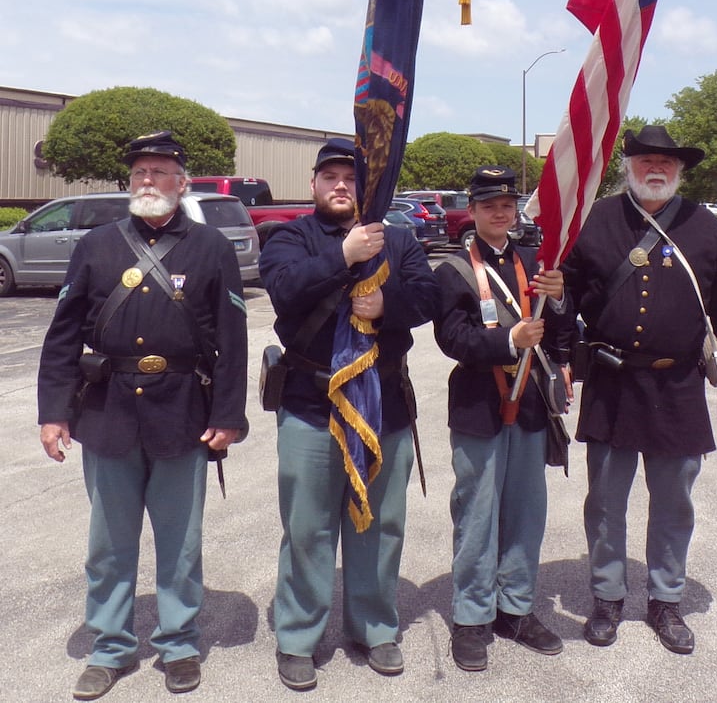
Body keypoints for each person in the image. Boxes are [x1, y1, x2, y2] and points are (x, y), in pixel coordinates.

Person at [38, 131, 248, 700]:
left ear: (182, 182)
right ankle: (110, 648)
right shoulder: (97, 245)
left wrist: (229, 414)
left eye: (160, 172)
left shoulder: (211, 248)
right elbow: (62, 335)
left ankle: (178, 643)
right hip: (106, 412)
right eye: (139, 173)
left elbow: (233, 337)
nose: (148, 181)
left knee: (180, 541)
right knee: (109, 543)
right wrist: (53, 412)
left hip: (184, 410)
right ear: (129, 183)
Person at [562, 125, 717, 654]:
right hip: (612, 381)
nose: (656, 169)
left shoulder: (703, 223)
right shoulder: (597, 219)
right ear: (629, 166)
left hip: (678, 383)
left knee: (673, 502)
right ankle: (607, 598)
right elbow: (567, 294)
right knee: (604, 502)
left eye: (666, 162)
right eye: (646, 161)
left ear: (681, 170)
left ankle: (666, 602)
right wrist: (560, 361)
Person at [259, 137, 437, 692]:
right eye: (330, 176)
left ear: (370, 186)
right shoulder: (290, 236)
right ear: (313, 185)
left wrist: (389, 306)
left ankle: (375, 628)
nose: (341, 185)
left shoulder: (401, 239)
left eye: (352, 177)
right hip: (311, 406)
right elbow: (285, 291)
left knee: (381, 524)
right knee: (308, 528)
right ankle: (298, 638)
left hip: (383, 404)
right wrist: (344, 256)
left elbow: (428, 299)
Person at [434, 166, 572, 673]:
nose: (500, 212)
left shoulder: (534, 261)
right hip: (479, 407)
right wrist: (506, 341)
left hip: (530, 406)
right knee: (476, 516)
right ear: (472, 211)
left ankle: (515, 608)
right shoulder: (452, 269)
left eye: (508, 205)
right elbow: (451, 338)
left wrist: (558, 297)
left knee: (526, 514)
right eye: (489, 204)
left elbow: (560, 330)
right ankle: (471, 617)